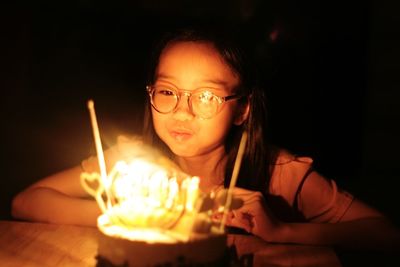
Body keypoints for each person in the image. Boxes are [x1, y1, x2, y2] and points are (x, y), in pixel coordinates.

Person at [11, 25, 400, 251]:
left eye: (207, 97)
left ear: (242, 109)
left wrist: (283, 231)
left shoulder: (277, 174)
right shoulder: (130, 162)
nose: (183, 111)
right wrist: (134, 217)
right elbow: (27, 202)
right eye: (168, 92)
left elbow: (384, 233)